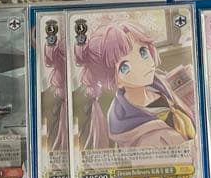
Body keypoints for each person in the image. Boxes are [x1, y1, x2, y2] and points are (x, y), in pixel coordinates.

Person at [73, 20, 195, 149]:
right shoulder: (143, 138)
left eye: (143, 52)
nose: (143, 65)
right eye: (125, 67)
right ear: (117, 81)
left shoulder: (155, 85)